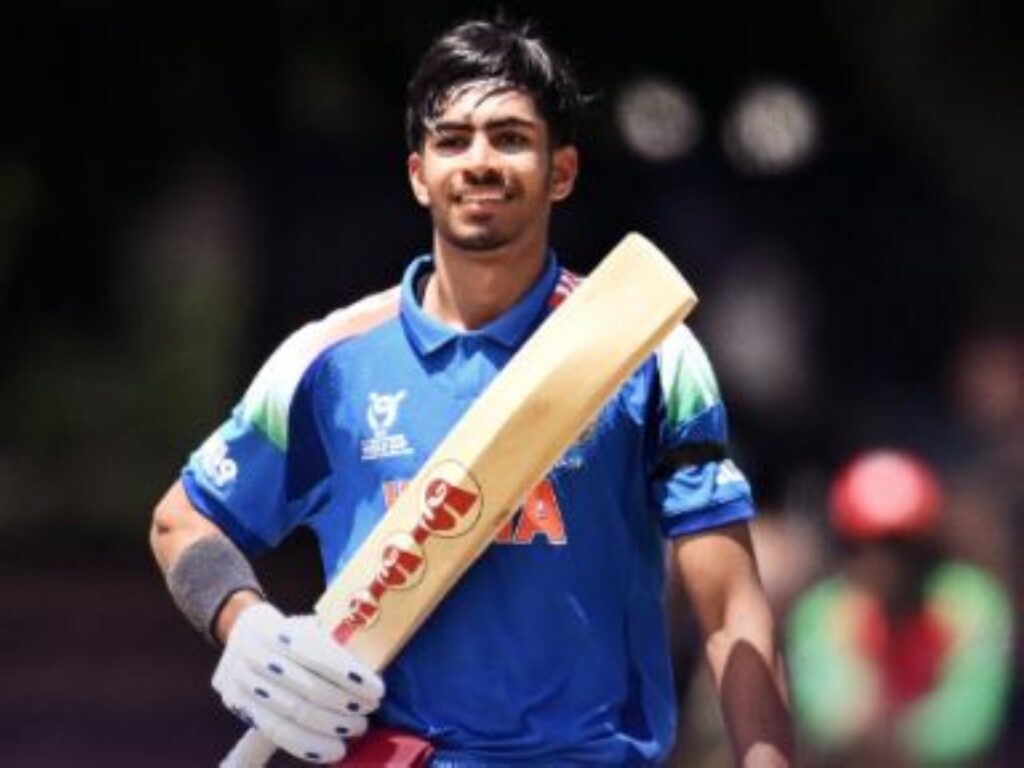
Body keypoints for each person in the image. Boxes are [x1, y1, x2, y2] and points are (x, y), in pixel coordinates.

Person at [150, 16, 792, 766]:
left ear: (562, 171)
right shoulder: (330, 362)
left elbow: (730, 609)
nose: (480, 161)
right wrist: (249, 626)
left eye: (510, 138)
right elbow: (182, 521)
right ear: (418, 174)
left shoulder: (646, 350)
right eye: (453, 140)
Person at [786, 448, 1013, 767]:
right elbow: (829, 719)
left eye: (900, 544)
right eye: (867, 543)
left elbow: (970, 722)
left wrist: (904, 737)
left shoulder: (971, 602)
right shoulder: (824, 612)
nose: (886, 562)